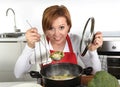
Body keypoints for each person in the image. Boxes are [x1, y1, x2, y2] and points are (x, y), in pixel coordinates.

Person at [14, 5, 103, 78]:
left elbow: (96, 73)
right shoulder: (39, 42)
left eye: (61, 27)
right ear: (45, 30)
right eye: (51, 28)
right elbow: (18, 74)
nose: (57, 34)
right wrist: (29, 46)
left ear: (68, 26)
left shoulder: (76, 40)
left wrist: (92, 51)